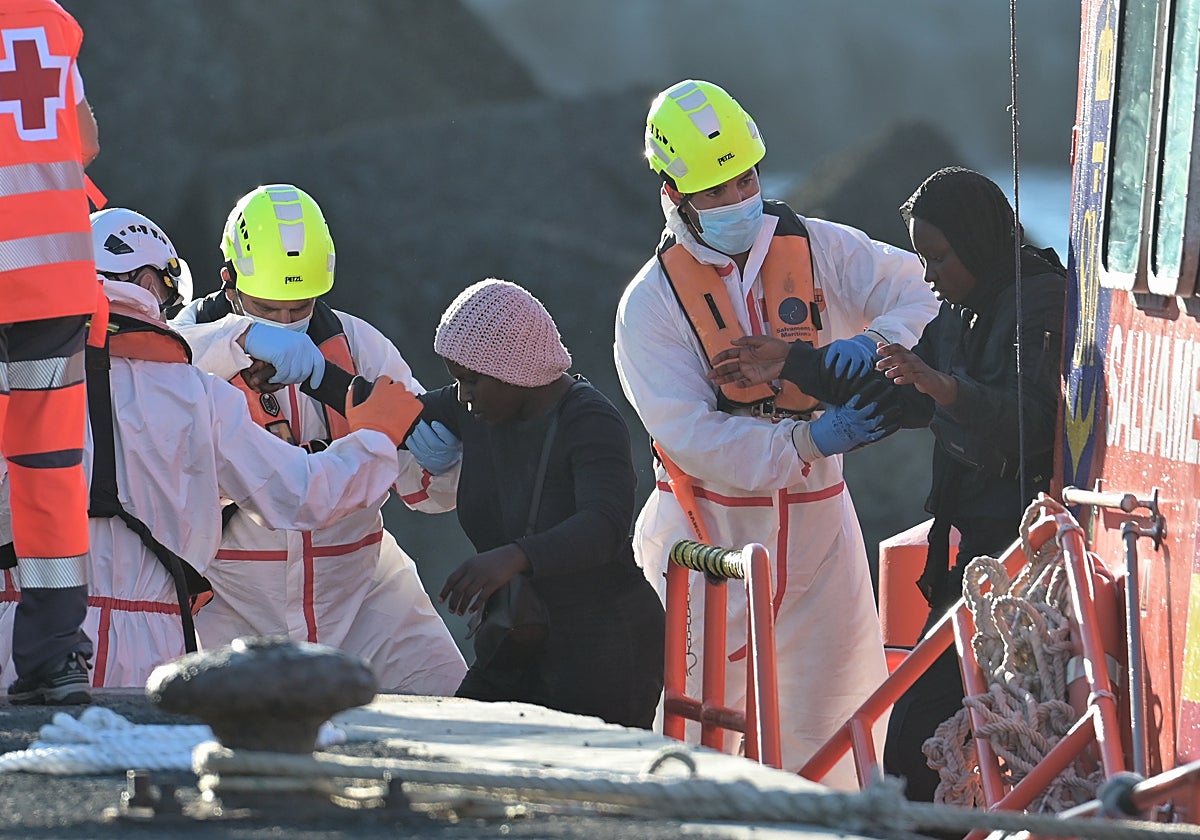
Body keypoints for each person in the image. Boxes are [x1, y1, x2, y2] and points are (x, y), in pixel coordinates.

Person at [614, 79, 938, 785]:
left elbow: (920, 288)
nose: (737, 200)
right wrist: (803, 443)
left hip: (821, 536)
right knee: (696, 743)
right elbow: (689, 434)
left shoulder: (817, 246)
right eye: (715, 191)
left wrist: (866, 349)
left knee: (838, 732)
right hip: (708, 546)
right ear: (673, 193)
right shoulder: (650, 306)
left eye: (745, 179)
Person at [709, 167, 1066, 801]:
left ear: (977, 242)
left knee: (917, 740)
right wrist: (795, 364)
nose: (928, 276)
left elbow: (1032, 422)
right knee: (912, 738)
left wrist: (940, 387)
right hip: (969, 554)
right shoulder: (964, 308)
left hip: (1017, 558)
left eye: (938, 258)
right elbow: (893, 390)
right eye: (922, 259)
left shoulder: (1038, 300)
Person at [0, 206, 425, 692]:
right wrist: (374, 439)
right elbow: (304, 495)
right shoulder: (198, 395)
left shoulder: (19, 380)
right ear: (150, 281)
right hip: (152, 643)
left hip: (26, 631)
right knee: (141, 766)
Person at [170, 184, 466, 696]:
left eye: (298, 307)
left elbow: (425, 487)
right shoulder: (186, 340)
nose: (286, 322)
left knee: (459, 714)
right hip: (232, 607)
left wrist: (442, 460)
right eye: (267, 307)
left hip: (365, 597)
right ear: (228, 279)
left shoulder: (357, 343)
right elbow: (147, 371)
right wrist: (236, 341)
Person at [421, 278, 665, 728]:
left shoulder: (589, 421)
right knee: (461, 745)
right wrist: (308, 372)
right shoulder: (479, 409)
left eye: (471, 381)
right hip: (521, 636)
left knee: (583, 789)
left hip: (607, 647)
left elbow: (604, 523)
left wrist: (514, 558)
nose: (460, 395)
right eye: (456, 381)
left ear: (513, 371)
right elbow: (393, 408)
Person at [0, 0, 102, 704]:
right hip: (53, 286)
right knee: (49, 474)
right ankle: (54, 659)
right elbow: (85, 138)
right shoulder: (48, 19)